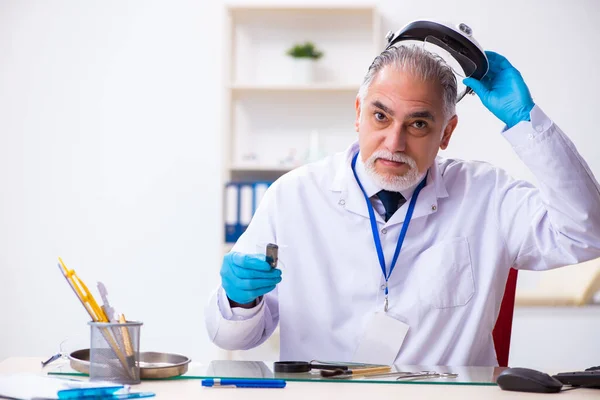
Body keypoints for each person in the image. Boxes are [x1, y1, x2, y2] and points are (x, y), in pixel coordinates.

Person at [204, 45, 600, 366]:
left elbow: (587, 233)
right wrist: (240, 299)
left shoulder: (487, 195)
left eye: (418, 124)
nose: (394, 143)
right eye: (381, 116)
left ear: (446, 132)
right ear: (358, 114)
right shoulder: (292, 197)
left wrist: (524, 121)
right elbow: (234, 337)